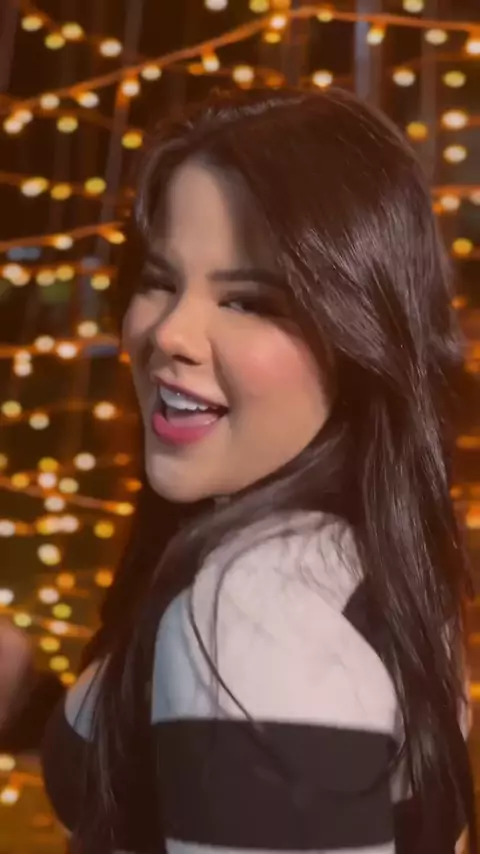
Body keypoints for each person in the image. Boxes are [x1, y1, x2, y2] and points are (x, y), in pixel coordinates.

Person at [0, 86, 476, 854]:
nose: (169, 332)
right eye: (160, 281)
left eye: (250, 301)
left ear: (360, 334)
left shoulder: (256, 612)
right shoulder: (363, 556)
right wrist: (30, 699)